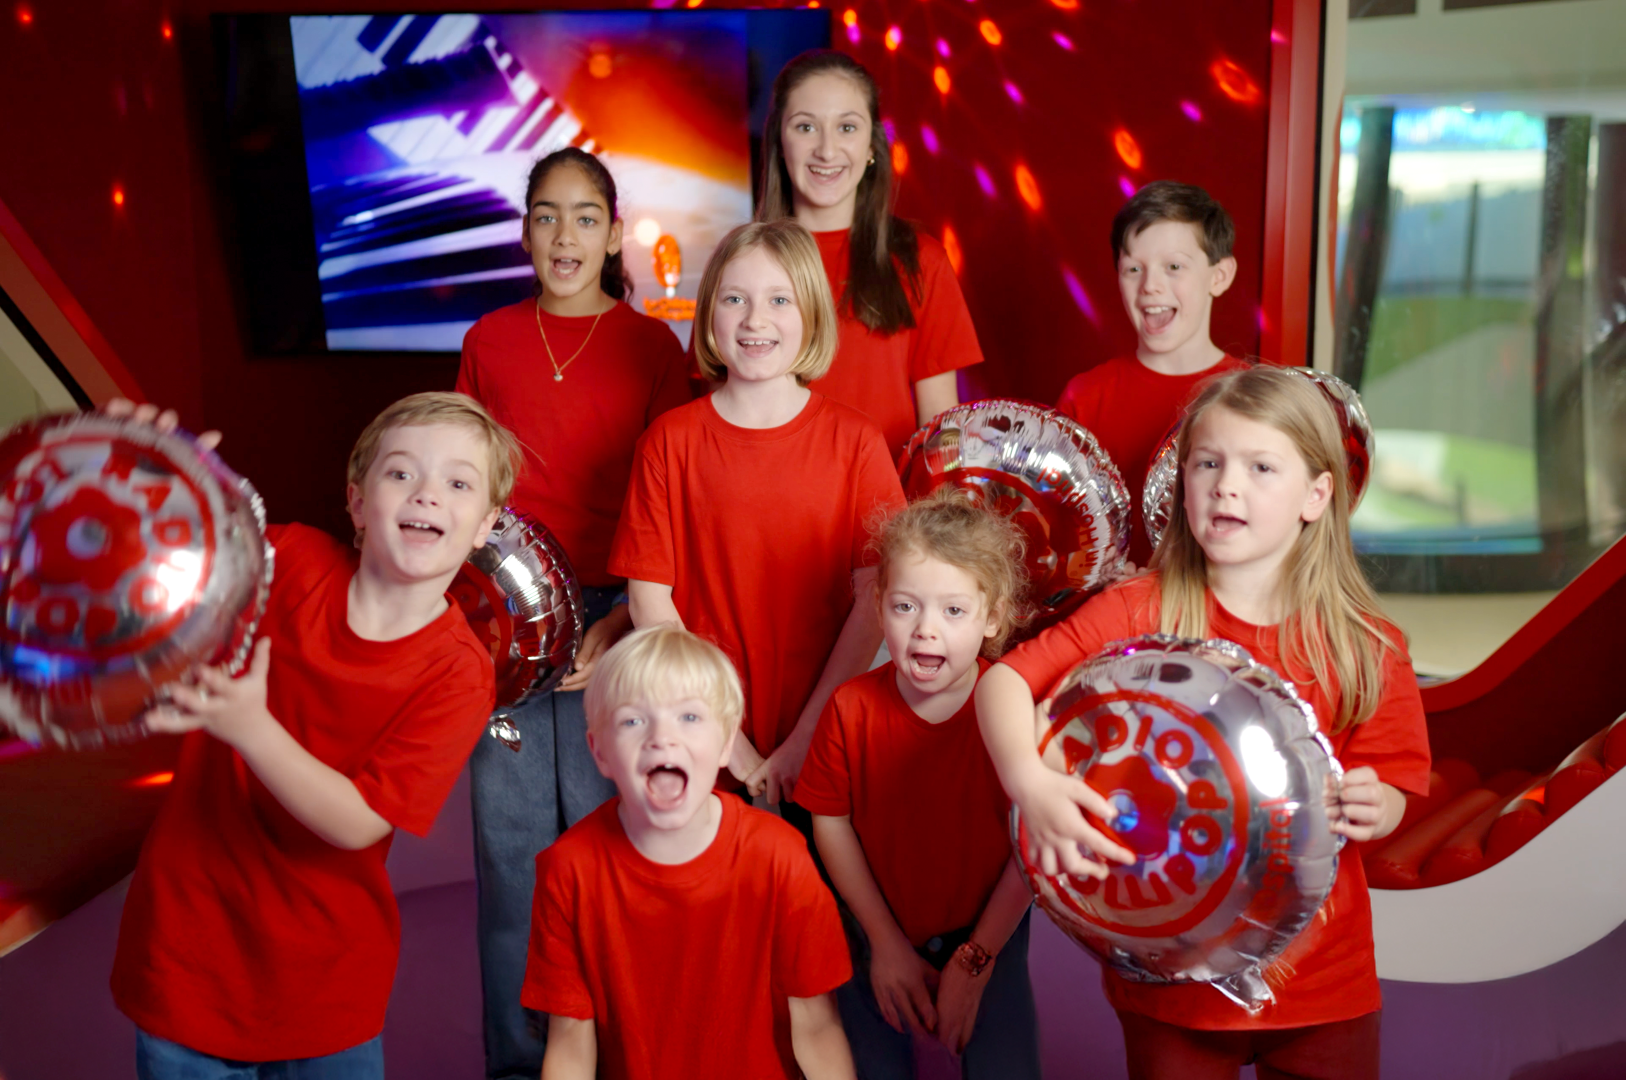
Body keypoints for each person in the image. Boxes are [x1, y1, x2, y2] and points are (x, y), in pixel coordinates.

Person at [978, 366, 1431, 1080]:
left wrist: (1381, 805)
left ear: (1317, 495)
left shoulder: (1364, 644)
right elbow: (1003, 681)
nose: (1227, 486)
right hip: (1171, 983)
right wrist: (1028, 782)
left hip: (1321, 984)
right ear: (1183, 482)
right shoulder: (1139, 608)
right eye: (1208, 464)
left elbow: (1399, 783)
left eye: (1260, 467)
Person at [110, 392, 520, 1078]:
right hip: (188, 952)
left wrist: (250, 727)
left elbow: (358, 821)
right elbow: (155, 553)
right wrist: (138, 476)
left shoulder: (459, 673)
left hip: (325, 982)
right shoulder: (286, 559)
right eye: (401, 473)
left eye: (458, 483)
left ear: (485, 524)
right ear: (357, 503)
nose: (426, 493)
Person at [455, 147, 691, 1078]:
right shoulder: (489, 339)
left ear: (613, 233)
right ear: (525, 232)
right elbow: (465, 477)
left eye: (585, 217)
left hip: (615, 613)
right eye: (547, 216)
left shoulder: (653, 348)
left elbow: (667, 495)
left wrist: (627, 614)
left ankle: (629, 1054)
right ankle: (522, 1063)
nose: (565, 235)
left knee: (618, 838)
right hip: (506, 622)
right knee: (512, 852)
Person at [610, 219, 906, 830]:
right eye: (735, 299)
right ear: (709, 313)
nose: (754, 320)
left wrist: (805, 737)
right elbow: (650, 604)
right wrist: (730, 743)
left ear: (812, 314)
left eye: (779, 300)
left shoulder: (857, 442)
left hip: (829, 733)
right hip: (699, 737)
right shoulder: (668, 442)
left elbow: (875, 602)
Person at [523, 624, 856, 1080]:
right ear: (599, 752)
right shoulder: (567, 869)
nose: (663, 738)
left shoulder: (779, 857)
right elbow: (570, 1046)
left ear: (726, 744)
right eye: (633, 721)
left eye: (690, 717)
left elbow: (817, 1028)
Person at [797, 489, 1041, 1078]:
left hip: (991, 932)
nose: (926, 630)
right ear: (880, 605)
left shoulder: (1014, 711)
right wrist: (883, 943)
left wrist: (978, 958)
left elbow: (1033, 840)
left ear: (992, 617)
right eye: (906, 606)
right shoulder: (849, 708)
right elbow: (831, 823)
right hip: (873, 925)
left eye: (953, 611)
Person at [757, 50, 983, 456]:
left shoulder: (921, 261)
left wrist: (951, 486)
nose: (827, 151)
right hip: (766, 488)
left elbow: (942, 425)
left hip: (886, 494)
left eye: (847, 127)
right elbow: (717, 410)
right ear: (779, 142)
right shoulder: (742, 263)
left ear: (871, 146)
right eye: (806, 127)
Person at [1056, 180, 1252, 568]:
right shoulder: (1085, 397)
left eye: (1174, 267)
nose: (1150, 286)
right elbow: (1061, 533)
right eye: (1133, 269)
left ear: (1220, 276)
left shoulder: (1255, 397)